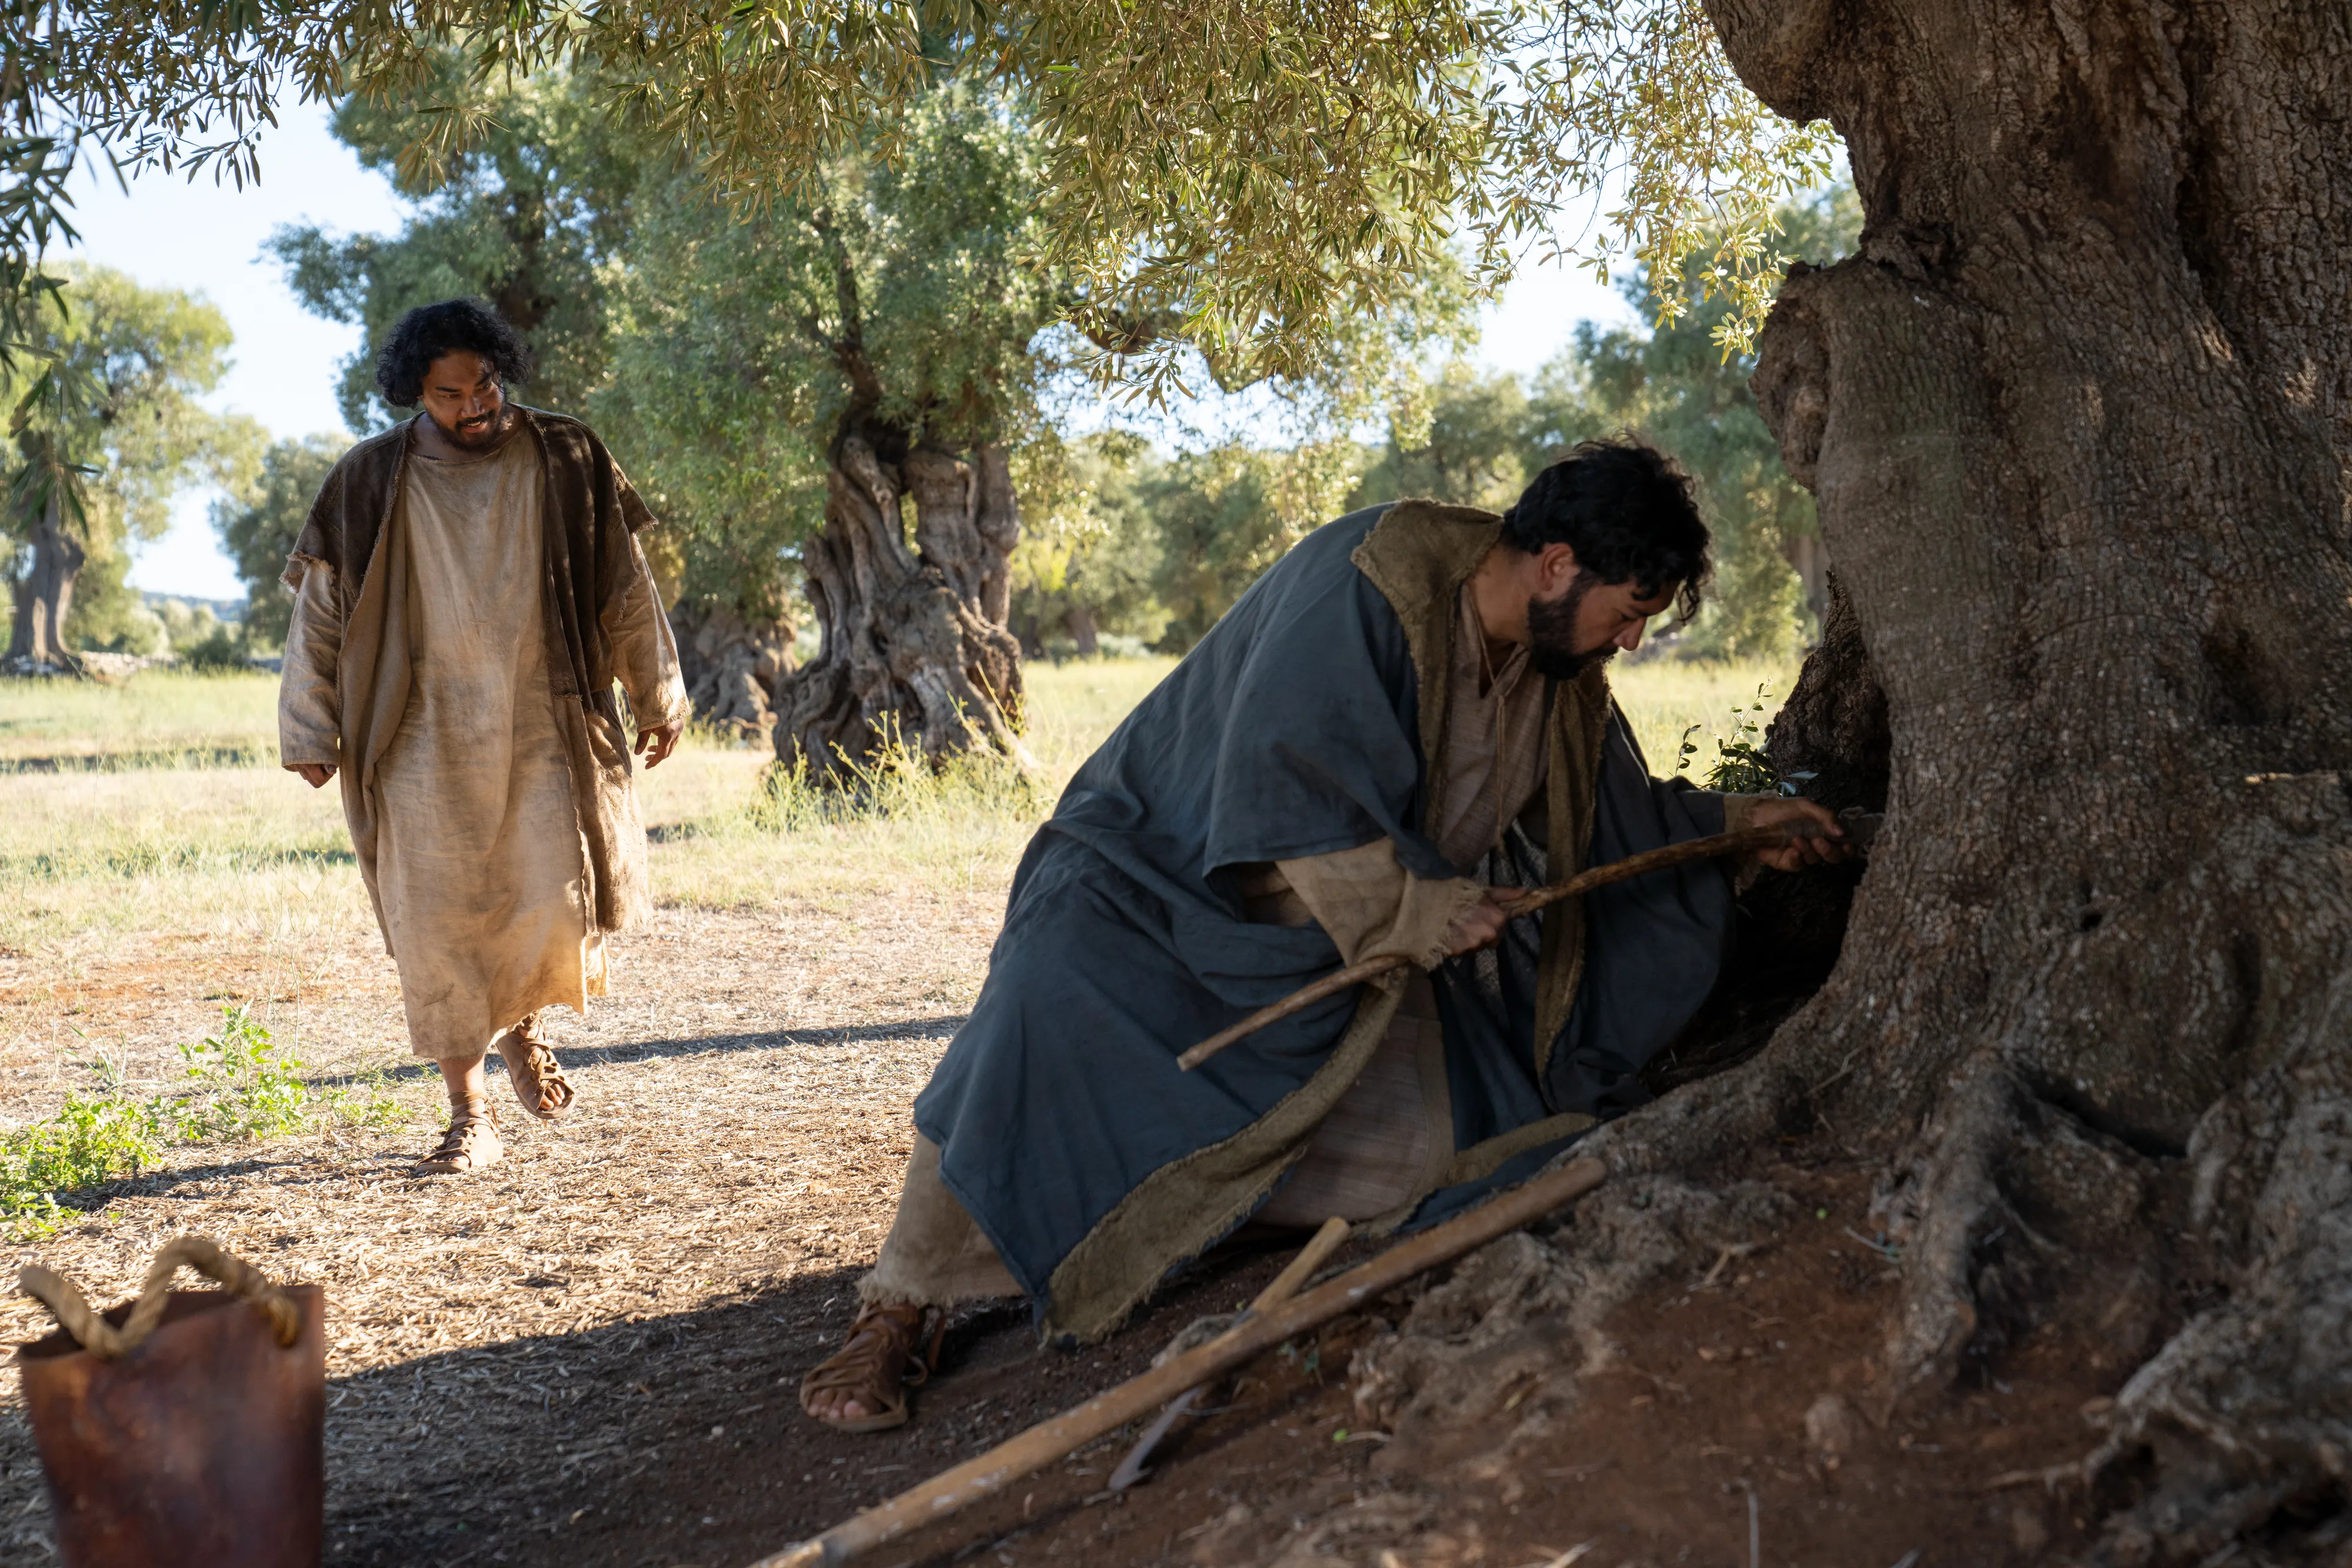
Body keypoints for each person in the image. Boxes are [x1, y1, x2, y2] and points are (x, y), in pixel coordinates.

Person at [800, 438, 1850, 1431]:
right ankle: (900, 1303)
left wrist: (1737, 826)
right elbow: (1285, 781)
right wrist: (1420, 909)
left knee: (1462, 1150)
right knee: (1037, 1006)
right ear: (1557, 566)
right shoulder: (1366, 584)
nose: (1629, 642)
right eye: (1628, 614)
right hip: (1151, 891)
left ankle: (1179, 1207)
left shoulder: (1557, 672)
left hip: (1338, 958)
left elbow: (1608, 818)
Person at [277, 298, 688, 1175]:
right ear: (415, 393)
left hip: (544, 717)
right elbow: (321, 611)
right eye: (450, 393)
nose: (475, 406)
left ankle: (519, 1025)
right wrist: (310, 723)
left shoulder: (567, 454)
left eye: (487, 384)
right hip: (414, 731)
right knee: (436, 921)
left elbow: (625, 583)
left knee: (544, 896)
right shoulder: (368, 478)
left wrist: (659, 691)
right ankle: (469, 1115)